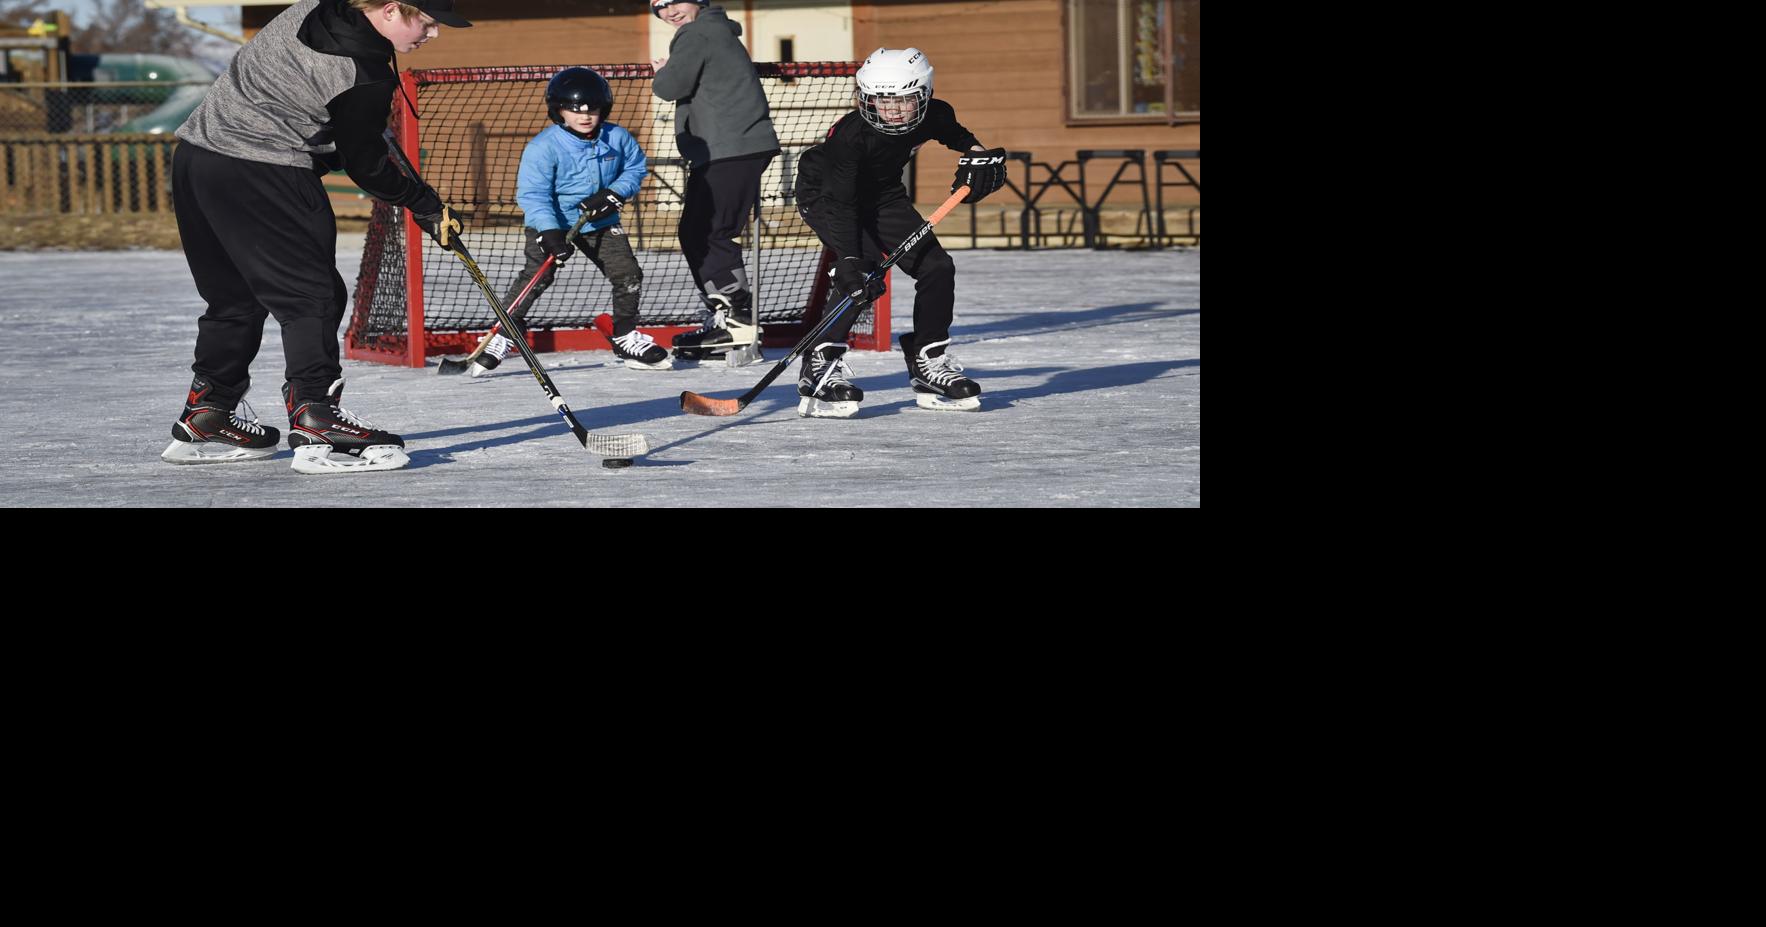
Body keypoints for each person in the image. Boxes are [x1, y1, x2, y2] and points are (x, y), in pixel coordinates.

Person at [163, 0, 470, 473]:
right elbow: (366, 168)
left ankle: (209, 411)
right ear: (390, 10)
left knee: (236, 299)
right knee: (313, 295)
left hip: (198, 159)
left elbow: (302, 107)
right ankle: (316, 415)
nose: (432, 34)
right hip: (266, 171)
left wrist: (343, 140)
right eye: (426, 23)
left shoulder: (312, 8)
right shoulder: (364, 72)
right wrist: (426, 204)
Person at [792, 48, 1007, 417]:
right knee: (862, 273)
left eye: (904, 100)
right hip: (826, 195)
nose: (891, 110)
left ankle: (929, 361)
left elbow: (954, 133)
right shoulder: (850, 137)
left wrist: (980, 156)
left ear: (923, 96)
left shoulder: (935, 114)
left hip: (883, 196)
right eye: (880, 100)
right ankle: (820, 364)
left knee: (937, 266)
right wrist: (847, 261)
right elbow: (841, 205)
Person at [469, 67, 664, 377]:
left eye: (592, 110)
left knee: (627, 273)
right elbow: (534, 195)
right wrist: (549, 231)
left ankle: (625, 335)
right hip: (554, 223)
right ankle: (503, 334)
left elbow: (636, 168)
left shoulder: (616, 137)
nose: (584, 117)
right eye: (574, 110)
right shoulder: (544, 147)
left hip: (600, 221)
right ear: (558, 110)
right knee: (538, 276)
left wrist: (613, 193)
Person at [649, 0, 781, 361]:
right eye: (659, 6)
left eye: (675, 1)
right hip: (727, 148)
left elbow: (670, 86)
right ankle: (730, 316)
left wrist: (662, 72)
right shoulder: (714, 29)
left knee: (708, 233)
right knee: (700, 230)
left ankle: (737, 319)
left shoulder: (695, 32)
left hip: (730, 147)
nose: (668, 10)